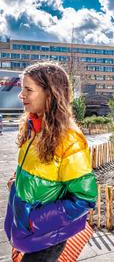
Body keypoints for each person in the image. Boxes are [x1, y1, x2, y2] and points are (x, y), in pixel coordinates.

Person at [4, 62, 98, 261]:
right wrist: (18, 182)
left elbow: (85, 199)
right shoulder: (33, 126)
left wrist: (35, 220)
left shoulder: (69, 139)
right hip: (26, 231)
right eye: (22, 89)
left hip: (45, 238)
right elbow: (36, 171)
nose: (21, 95)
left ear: (51, 94)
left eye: (28, 90)